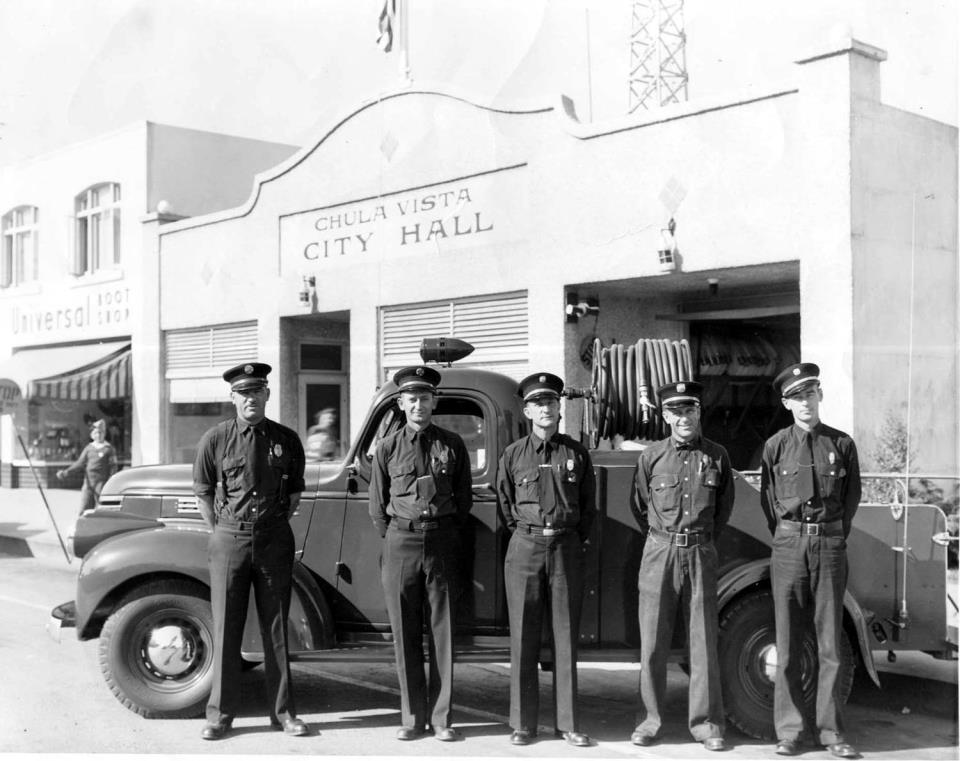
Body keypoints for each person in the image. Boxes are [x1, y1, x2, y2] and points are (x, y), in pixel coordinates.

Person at [192, 362, 310, 741]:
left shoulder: (287, 439)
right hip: (230, 540)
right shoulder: (216, 439)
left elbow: (293, 494)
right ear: (233, 398)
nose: (250, 398)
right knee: (227, 628)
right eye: (243, 393)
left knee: (277, 627)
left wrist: (269, 525)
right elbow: (203, 493)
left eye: (256, 391)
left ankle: (284, 713)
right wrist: (225, 531)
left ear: (267, 394)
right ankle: (220, 716)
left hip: (274, 538)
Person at [761, 363, 861, 759]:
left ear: (820, 395)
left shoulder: (842, 444)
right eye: (797, 396)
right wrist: (793, 537)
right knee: (786, 643)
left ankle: (832, 732)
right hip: (789, 548)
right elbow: (769, 502)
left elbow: (849, 501)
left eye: (811, 393)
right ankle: (789, 732)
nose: (805, 402)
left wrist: (828, 537)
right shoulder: (775, 446)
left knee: (829, 645)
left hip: (829, 548)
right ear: (787, 403)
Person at [369, 365, 473, 742]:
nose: (418, 405)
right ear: (400, 403)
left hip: (441, 541)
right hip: (401, 542)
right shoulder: (387, 447)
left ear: (434, 402)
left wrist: (439, 530)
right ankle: (413, 718)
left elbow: (463, 500)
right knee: (405, 632)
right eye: (411, 399)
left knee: (442, 632)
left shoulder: (452, 444)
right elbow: (377, 506)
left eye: (425, 398)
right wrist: (402, 532)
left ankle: (442, 718)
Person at [631, 381, 733, 752]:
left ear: (698, 413)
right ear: (665, 416)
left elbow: (722, 510)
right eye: (676, 411)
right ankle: (648, 721)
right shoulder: (651, 457)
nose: (684, 417)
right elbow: (641, 506)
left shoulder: (717, 456)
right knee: (653, 641)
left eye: (690, 409)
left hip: (701, 552)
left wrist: (697, 541)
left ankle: (707, 725)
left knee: (703, 641)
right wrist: (667, 539)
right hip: (660, 551)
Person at [496, 372, 595, 748]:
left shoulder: (576, 453)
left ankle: (568, 724)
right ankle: (523, 725)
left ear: (559, 407)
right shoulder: (513, 454)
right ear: (527, 411)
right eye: (538, 403)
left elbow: (588, 508)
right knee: (523, 637)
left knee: (566, 637)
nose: (546, 409)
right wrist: (531, 535)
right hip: (526, 548)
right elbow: (506, 506)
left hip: (566, 548)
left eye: (551, 402)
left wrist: (565, 536)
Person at [56, 419, 117, 514]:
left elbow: (113, 467)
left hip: (102, 482)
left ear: (104, 434)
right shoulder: (89, 448)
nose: (98, 435)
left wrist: (111, 481)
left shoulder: (109, 449)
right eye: (96, 433)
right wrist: (65, 473)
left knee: (100, 508)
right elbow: (79, 463)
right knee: (84, 507)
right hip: (88, 483)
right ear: (92, 435)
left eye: (101, 433)